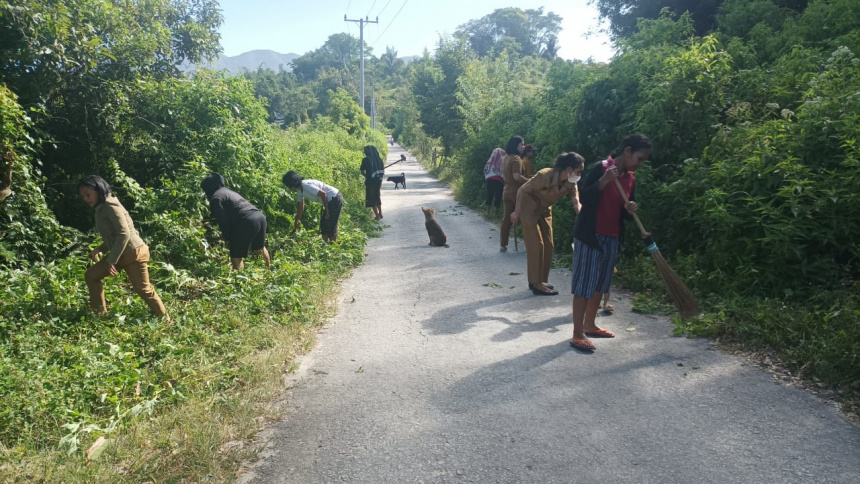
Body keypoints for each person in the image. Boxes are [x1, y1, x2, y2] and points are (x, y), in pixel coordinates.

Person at [569, 134, 651, 351]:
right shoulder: (601, 168)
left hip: (612, 236)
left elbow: (622, 213)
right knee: (584, 283)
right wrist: (603, 181)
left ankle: (590, 324)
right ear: (627, 151)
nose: (640, 164)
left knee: (600, 283)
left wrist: (629, 209)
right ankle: (577, 333)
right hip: (590, 234)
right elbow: (583, 198)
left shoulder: (630, 178)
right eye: (639, 158)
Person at [79, 175, 169, 318]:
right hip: (121, 253)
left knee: (143, 289)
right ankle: (99, 315)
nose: (85, 199)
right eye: (83, 196)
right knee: (91, 275)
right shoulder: (101, 207)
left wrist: (111, 260)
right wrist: (99, 249)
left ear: (99, 190)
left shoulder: (110, 205)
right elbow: (113, 237)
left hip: (133, 252)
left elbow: (123, 233)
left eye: (88, 194)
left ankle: (165, 319)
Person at [511, 152, 583, 296]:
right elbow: (521, 190)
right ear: (569, 170)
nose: (580, 174)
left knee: (549, 244)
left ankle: (539, 280)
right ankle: (536, 284)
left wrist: (584, 216)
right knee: (536, 245)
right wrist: (516, 211)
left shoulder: (571, 182)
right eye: (579, 171)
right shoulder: (544, 175)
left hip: (545, 209)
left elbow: (576, 202)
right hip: (529, 207)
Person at [201, 173, 271, 270]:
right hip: (259, 216)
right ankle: (268, 273)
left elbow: (223, 221)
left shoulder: (215, 198)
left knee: (236, 255)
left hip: (247, 221)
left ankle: (239, 282)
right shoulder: (228, 192)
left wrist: (228, 238)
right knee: (259, 248)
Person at [282, 170, 343, 243]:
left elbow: (323, 194)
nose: (289, 188)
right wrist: (296, 220)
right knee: (324, 225)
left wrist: (327, 210)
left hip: (334, 198)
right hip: (329, 201)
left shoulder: (305, 185)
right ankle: (326, 244)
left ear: (292, 184)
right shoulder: (299, 191)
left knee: (330, 223)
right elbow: (301, 207)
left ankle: (333, 246)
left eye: (288, 186)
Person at [499, 136, 531, 252]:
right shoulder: (516, 159)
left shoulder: (506, 158)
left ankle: (503, 244)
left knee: (506, 218)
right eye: (521, 145)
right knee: (525, 217)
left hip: (506, 191)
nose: (523, 147)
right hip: (517, 193)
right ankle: (530, 243)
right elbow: (516, 177)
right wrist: (530, 181)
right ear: (515, 146)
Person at [360, 145, 385, 220]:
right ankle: (380, 213)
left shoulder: (365, 160)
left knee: (371, 197)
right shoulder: (379, 159)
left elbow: (362, 172)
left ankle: (377, 215)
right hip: (378, 181)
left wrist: (366, 175)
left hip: (370, 181)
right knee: (377, 195)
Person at [483, 147, 505, 217]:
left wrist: (486, 177)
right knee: (498, 196)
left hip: (490, 179)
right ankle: (495, 213)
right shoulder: (503, 161)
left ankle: (487, 211)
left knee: (490, 195)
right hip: (499, 180)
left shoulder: (491, 160)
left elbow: (486, 169)